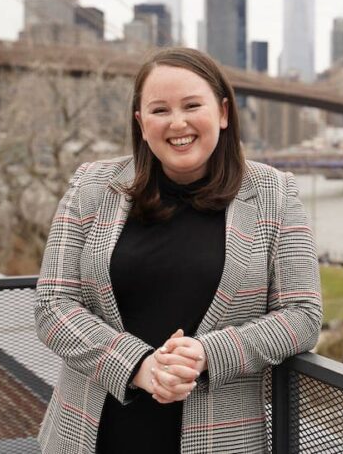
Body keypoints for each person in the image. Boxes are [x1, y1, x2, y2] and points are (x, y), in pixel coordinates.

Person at [34, 47, 323, 453]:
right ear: (141, 122)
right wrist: (138, 365)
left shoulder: (276, 194)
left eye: (192, 105)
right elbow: (52, 304)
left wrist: (207, 354)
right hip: (90, 433)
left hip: (221, 437)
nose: (178, 123)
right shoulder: (93, 185)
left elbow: (303, 316)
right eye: (159, 110)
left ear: (223, 113)